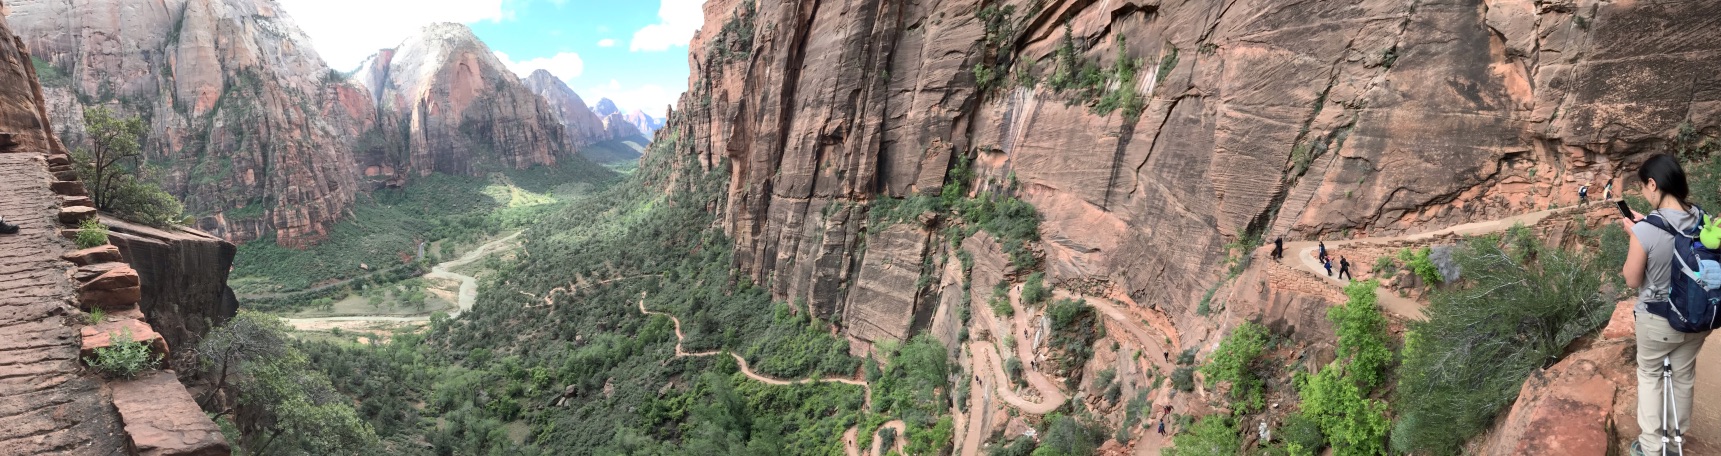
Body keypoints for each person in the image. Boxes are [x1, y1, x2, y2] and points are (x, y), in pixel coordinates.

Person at [1619, 154, 1714, 456]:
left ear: (1653, 184)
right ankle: (1675, 443)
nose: (1645, 195)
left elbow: (1632, 280)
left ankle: (1650, 447)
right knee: (1683, 377)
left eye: (1644, 189)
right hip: (1698, 317)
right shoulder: (1703, 218)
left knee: (1650, 375)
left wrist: (1636, 235)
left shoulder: (1645, 230)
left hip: (1658, 321)